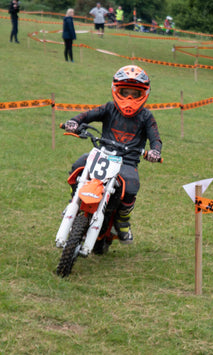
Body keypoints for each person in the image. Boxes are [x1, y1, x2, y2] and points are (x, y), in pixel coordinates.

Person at [64, 65, 162, 244]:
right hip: (102, 155)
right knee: (78, 165)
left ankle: (122, 221)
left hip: (127, 162)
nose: (130, 98)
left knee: (131, 186)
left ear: (144, 94)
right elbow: (87, 115)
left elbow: (155, 138)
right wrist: (73, 121)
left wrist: (155, 151)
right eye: (125, 92)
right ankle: (74, 200)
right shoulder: (109, 108)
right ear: (116, 90)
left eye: (135, 93)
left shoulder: (146, 116)